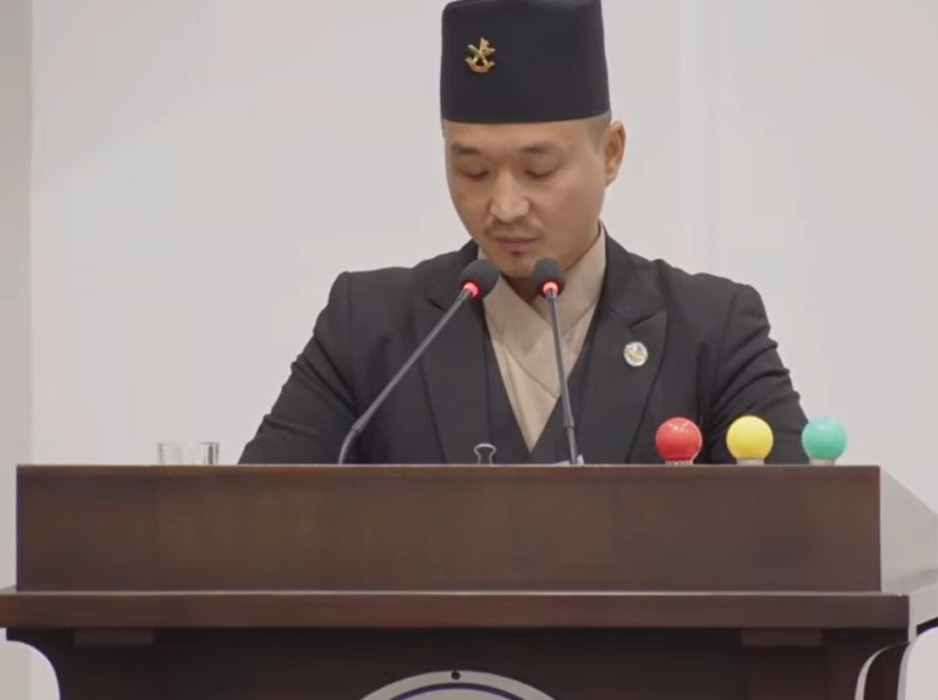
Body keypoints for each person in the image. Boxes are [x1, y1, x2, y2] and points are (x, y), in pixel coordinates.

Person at [238, 0, 809, 465]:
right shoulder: (368, 328)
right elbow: (256, 520)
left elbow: (802, 532)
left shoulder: (711, 330)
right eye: (473, 171)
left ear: (611, 153)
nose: (505, 207)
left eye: (539, 171)